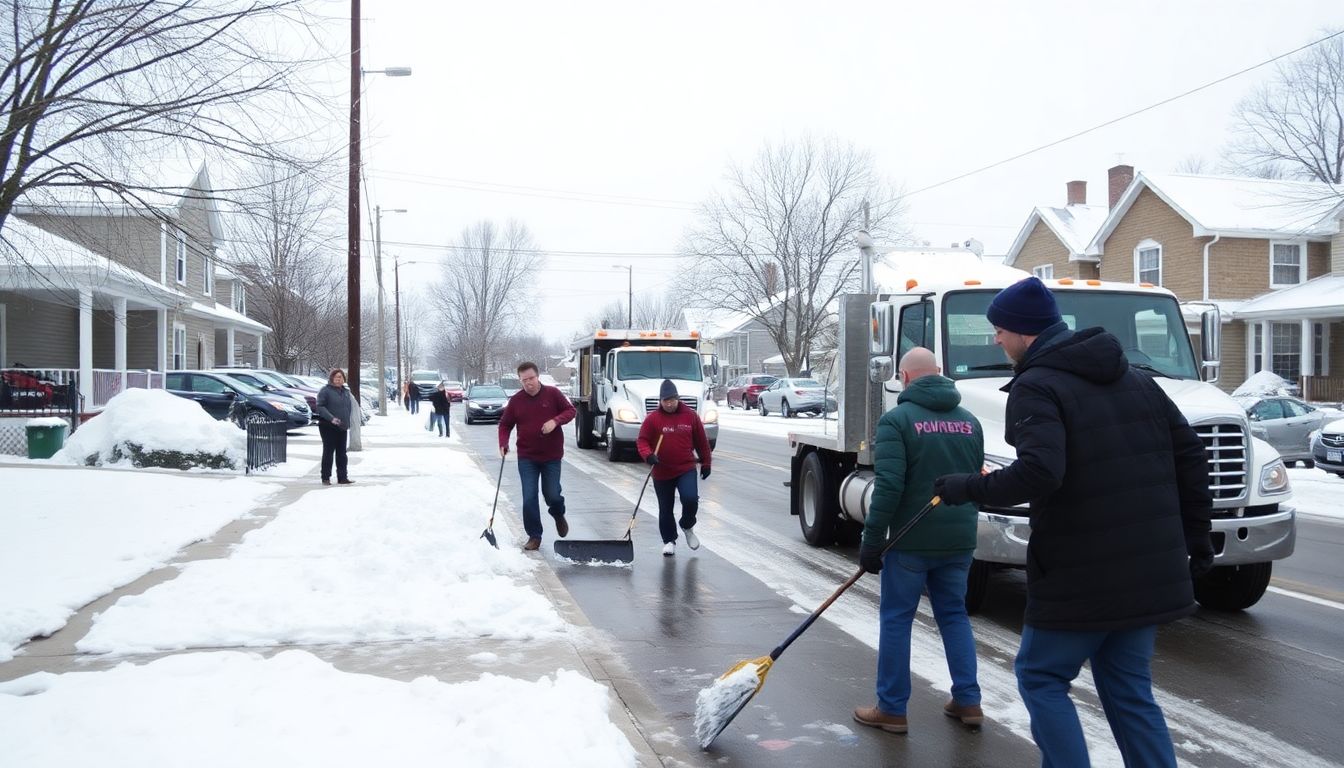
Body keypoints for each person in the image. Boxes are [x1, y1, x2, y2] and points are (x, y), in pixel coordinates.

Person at [933, 277, 1213, 768]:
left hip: (1081, 569)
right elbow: (1190, 453)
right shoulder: (1138, 381)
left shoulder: (1037, 386)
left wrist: (966, 487)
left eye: (999, 329)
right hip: (1148, 567)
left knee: (1041, 677)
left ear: (1024, 332)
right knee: (1128, 688)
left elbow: (1041, 471)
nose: (995, 339)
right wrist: (1197, 536)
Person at [852, 347, 985, 736]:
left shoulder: (897, 421)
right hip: (959, 541)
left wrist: (872, 539)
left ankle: (892, 709)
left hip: (911, 542)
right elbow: (976, 479)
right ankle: (968, 699)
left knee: (896, 619)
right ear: (939, 374)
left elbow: (889, 486)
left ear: (905, 378)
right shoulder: (970, 422)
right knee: (954, 616)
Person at [498, 361, 576, 551]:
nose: (528, 383)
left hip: (551, 456)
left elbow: (571, 411)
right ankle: (534, 535)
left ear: (537, 376)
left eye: (531, 378)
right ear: (520, 381)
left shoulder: (553, 394)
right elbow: (505, 424)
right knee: (529, 497)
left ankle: (558, 514)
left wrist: (555, 421)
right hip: (527, 457)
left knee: (552, 495)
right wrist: (503, 442)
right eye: (524, 380)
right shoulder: (516, 401)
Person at [636, 379, 712, 557]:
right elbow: (642, 440)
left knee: (690, 498)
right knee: (665, 507)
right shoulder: (653, 419)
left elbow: (702, 441)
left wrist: (706, 462)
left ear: (678, 399)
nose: (669, 404)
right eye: (665, 401)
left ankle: (687, 524)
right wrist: (648, 455)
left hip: (685, 467)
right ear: (660, 401)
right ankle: (669, 540)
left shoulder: (690, 416)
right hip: (662, 471)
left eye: (672, 400)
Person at [315, 368, 356, 486]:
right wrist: (331, 418)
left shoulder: (346, 392)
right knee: (328, 452)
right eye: (336, 377)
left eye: (341, 377)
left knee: (342, 453)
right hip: (328, 426)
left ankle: (343, 477)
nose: (339, 380)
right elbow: (320, 407)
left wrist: (348, 422)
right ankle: (325, 477)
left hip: (342, 426)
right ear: (332, 378)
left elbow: (349, 408)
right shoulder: (325, 391)